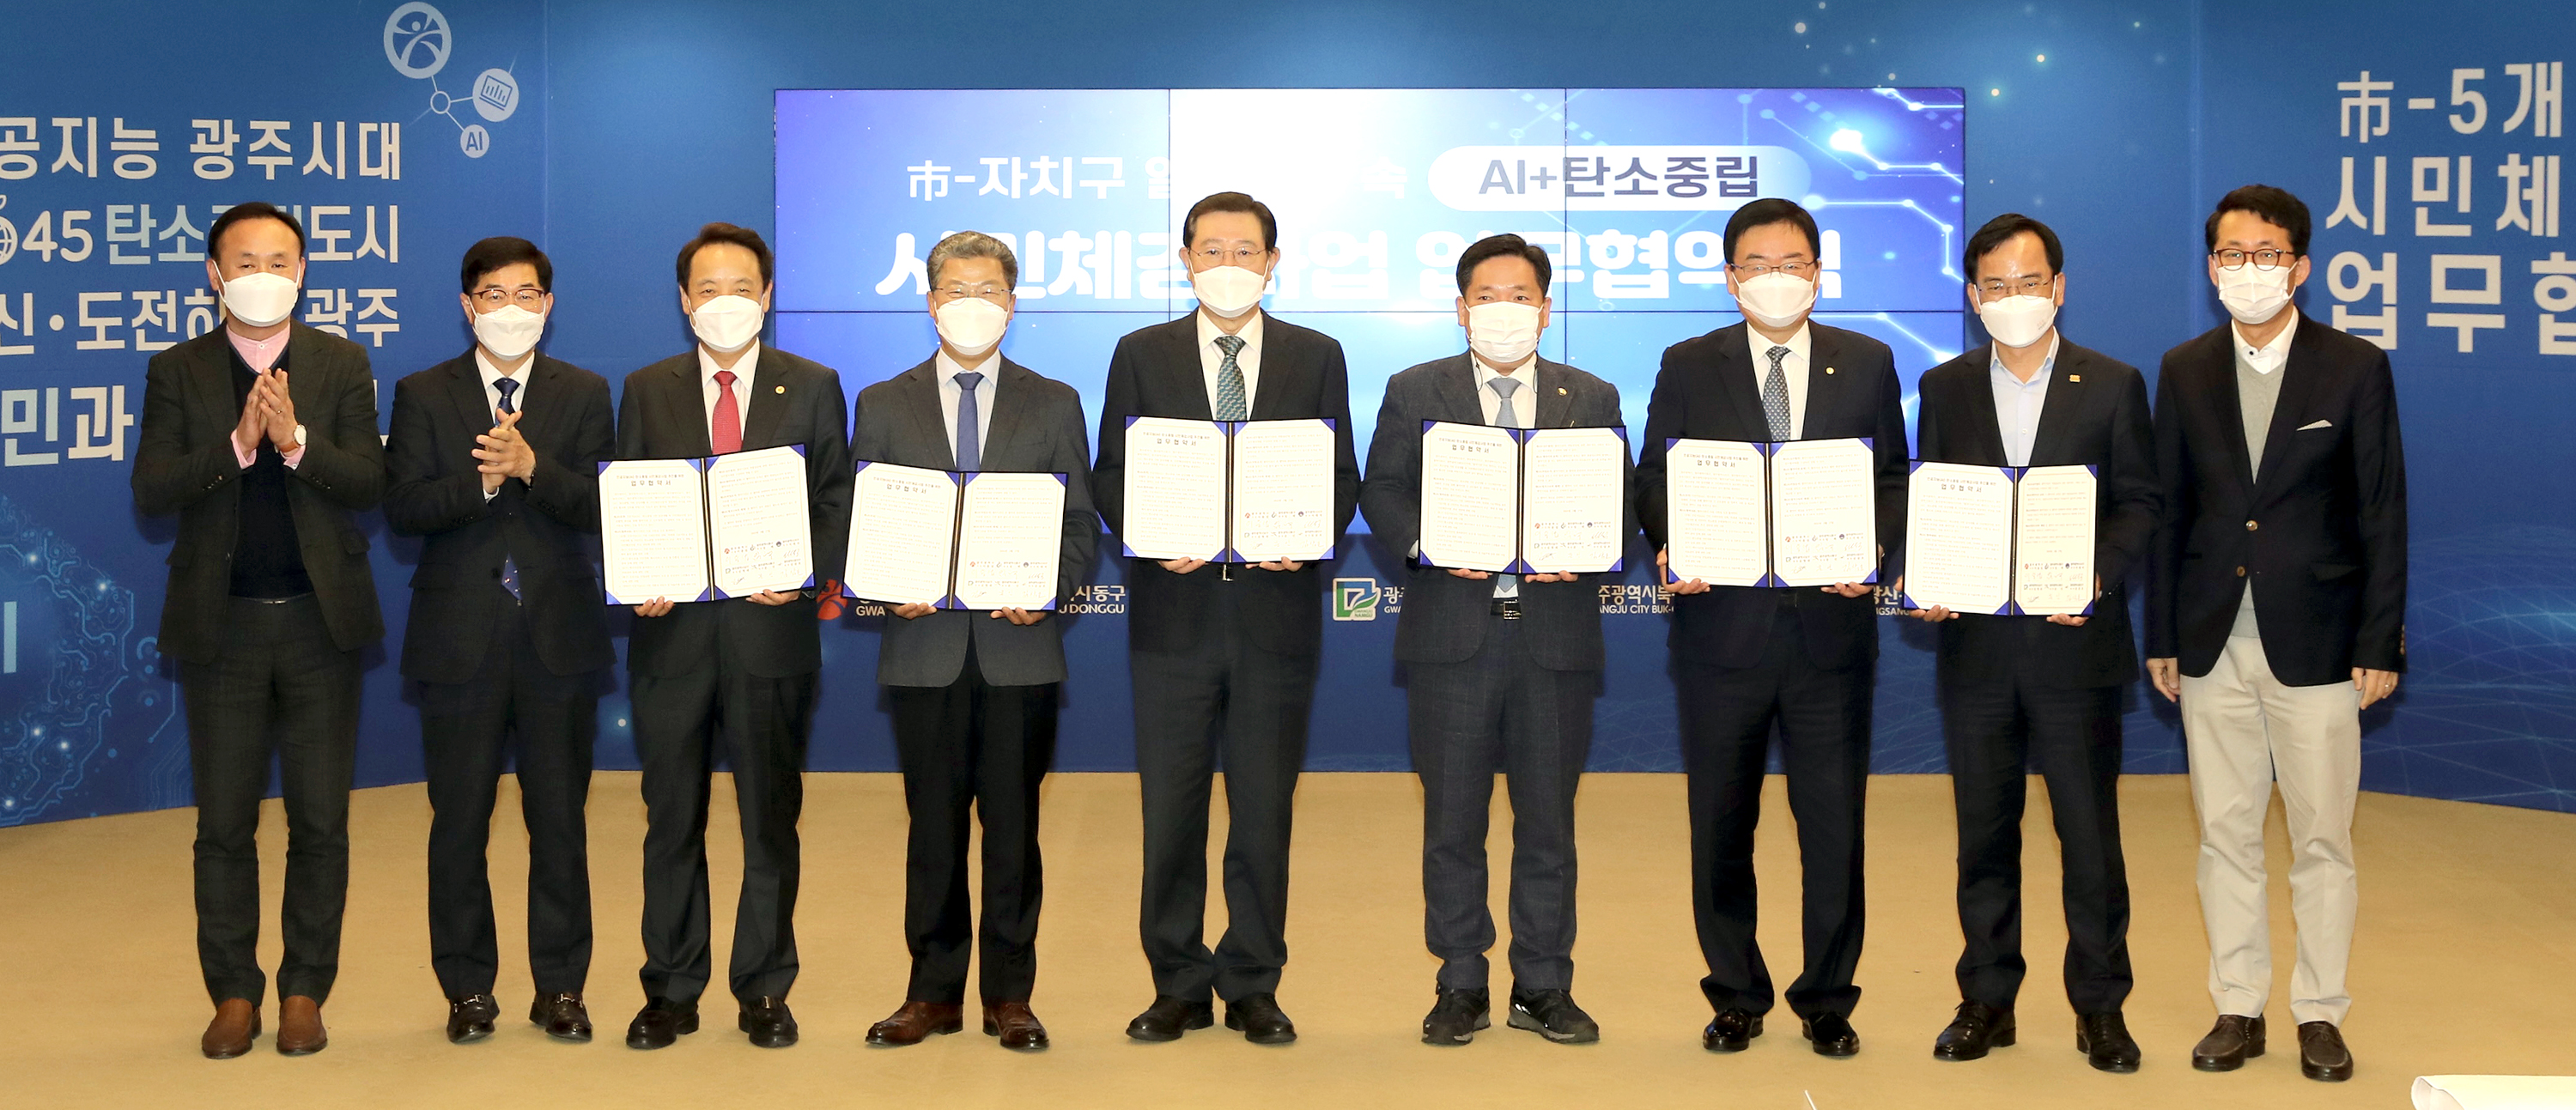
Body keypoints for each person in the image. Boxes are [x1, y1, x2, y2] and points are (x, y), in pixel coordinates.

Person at [1634, 197, 1907, 1058]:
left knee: (1834, 830)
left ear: (1818, 273)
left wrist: (1876, 545)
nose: (1775, 278)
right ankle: (1736, 992)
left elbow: (1892, 476)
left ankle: (1828, 997)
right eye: (1756, 265)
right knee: (1722, 825)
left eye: (1792, 263)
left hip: (1831, 635)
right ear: (1730, 278)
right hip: (1723, 633)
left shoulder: (1869, 361)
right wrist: (1671, 541)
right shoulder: (1689, 363)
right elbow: (1656, 474)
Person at [2147, 185, 2406, 1084]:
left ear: (2300, 267)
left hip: (2322, 644)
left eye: (2266, 254)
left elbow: (2382, 510)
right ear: (2210, 265)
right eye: (2231, 254)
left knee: (2323, 839)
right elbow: (2169, 510)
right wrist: (2162, 632)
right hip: (2211, 640)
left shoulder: (2354, 366)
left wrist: (2379, 640)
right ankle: (2238, 1005)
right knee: (2225, 835)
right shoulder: (2184, 368)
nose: (2248, 269)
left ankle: (2320, 1012)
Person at [1091, 191, 1360, 1045]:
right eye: (1212, 249)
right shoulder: (1141, 353)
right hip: (1173, 616)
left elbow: (1340, 474)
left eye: (1246, 250)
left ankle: (1252, 982)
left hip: (1275, 617)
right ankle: (1176, 982)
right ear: (1186, 260)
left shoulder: (1317, 355)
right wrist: (1148, 533)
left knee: (1263, 812)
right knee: (1170, 811)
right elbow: (1110, 472)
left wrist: (1306, 540)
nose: (1229, 264)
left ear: (1272, 262)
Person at [1358, 234, 1631, 1046]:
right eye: (1486, 296)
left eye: (1520, 296)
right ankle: (1461, 982)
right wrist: (1428, 543)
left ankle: (1543, 984)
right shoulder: (1415, 389)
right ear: (1461, 308)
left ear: (1545, 309)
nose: (1502, 310)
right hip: (1453, 638)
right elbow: (1382, 488)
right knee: (1453, 823)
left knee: (1548, 825)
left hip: (1554, 639)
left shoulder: (1592, 394)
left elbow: (1620, 501)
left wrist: (1588, 550)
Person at [1901, 214, 2154, 1073]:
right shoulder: (1945, 387)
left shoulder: (2113, 383)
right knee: (1983, 834)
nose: (2016, 297)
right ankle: (1987, 998)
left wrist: (2096, 575)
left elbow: (2141, 503)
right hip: (1976, 650)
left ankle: (2101, 1007)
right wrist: (1927, 575)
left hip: (2073, 648)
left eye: (2031, 281)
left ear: (2060, 287)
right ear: (1975, 298)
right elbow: (1934, 498)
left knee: (2089, 837)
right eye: (1997, 285)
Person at [131, 202, 386, 1058]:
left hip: (320, 625)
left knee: (319, 821)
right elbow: (152, 490)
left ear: (303, 271)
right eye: (245, 262)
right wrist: (240, 444)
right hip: (223, 629)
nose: (263, 275)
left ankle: (305, 989)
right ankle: (234, 993)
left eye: (280, 260)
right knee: (224, 825)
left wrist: (295, 439)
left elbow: (370, 482)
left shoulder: (341, 362)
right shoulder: (177, 369)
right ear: (215, 275)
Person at [854, 233, 1097, 1053]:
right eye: (956, 289)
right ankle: (930, 992)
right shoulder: (882, 402)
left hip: (1017, 650)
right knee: (932, 829)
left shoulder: (1054, 401)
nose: (972, 303)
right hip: (923, 647)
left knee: (1014, 828)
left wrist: (1048, 590)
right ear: (930, 302)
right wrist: (884, 582)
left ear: (1012, 304)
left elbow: (1078, 524)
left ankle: (1009, 995)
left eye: (988, 290)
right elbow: (865, 520)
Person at [617, 222, 854, 1051]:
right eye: (709, 288)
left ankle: (764, 987)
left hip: (770, 635)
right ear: (685, 301)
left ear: (768, 295)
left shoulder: (813, 384)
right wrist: (637, 577)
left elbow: (835, 499)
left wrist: (805, 570)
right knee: (670, 820)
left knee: (769, 821)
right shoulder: (646, 388)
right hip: (671, 639)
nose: (727, 301)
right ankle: (670, 988)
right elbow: (631, 499)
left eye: (742, 287)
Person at [384, 236, 615, 1045]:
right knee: (459, 823)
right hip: (458, 641)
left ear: (547, 305)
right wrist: (481, 481)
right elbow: (402, 508)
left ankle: (562, 987)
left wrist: (531, 468)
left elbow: (604, 505)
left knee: (560, 824)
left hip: (558, 638)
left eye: (525, 294)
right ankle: (467, 989)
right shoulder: (423, 392)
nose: (509, 308)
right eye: (492, 294)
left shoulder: (584, 391)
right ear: (466, 305)